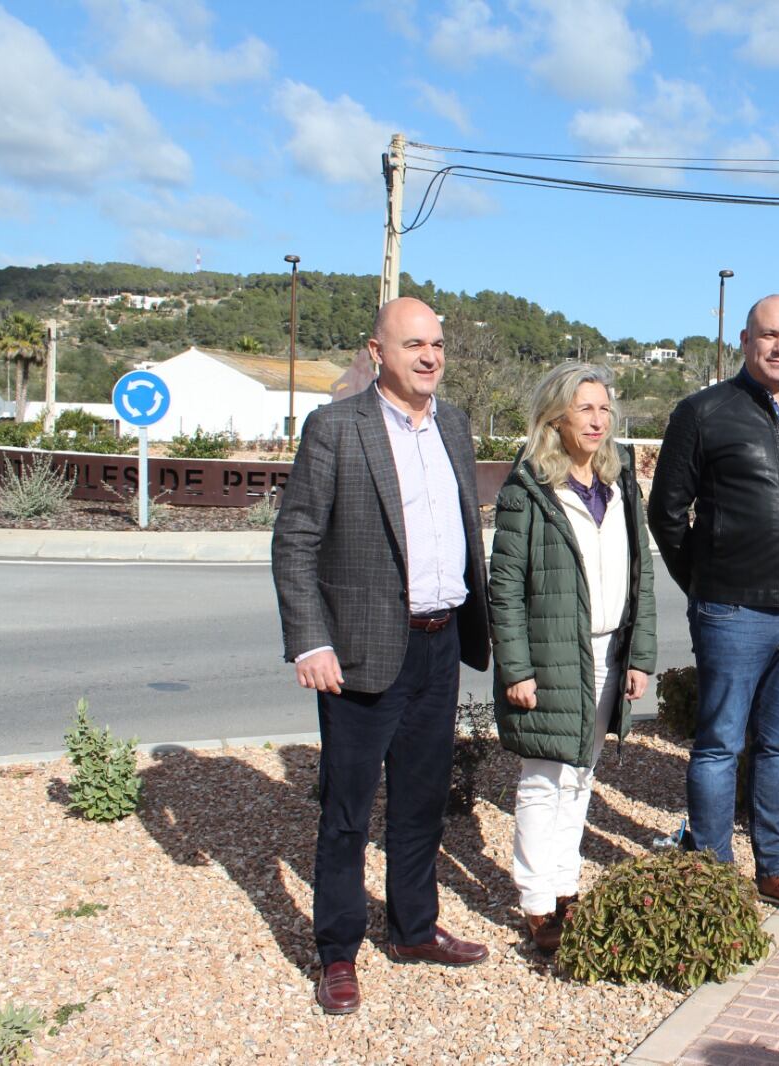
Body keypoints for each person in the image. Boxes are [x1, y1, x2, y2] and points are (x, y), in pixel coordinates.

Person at [271, 296, 491, 1016]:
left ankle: (413, 928)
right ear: (377, 351)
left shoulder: (453, 425)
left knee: (424, 803)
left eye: (436, 344)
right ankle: (337, 952)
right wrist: (311, 639)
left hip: (439, 644)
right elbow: (296, 540)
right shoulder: (336, 429)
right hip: (362, 651)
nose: (429, 356)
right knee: (347, 811)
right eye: (412, 344)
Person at [648, 294, 779, 916]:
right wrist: (705, 583)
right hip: (730, 610)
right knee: (718, 746)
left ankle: (775, 868)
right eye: (768, 335)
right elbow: (666, 513)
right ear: (745, 339)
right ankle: (713, 877)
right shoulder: (702, 413)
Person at [488, 362, 657, 952]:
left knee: (581, 773)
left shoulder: (618, 483)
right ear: (555, 416)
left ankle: (565, 885)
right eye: (584, 408)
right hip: (554, 652)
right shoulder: (530, 487)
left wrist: (641, 655)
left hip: (609, 650)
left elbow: (642, 574)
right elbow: (503, 586)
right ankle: (537, 902)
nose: (597, 419)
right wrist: (517, 668)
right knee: (545, 776)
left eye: (604, 408)